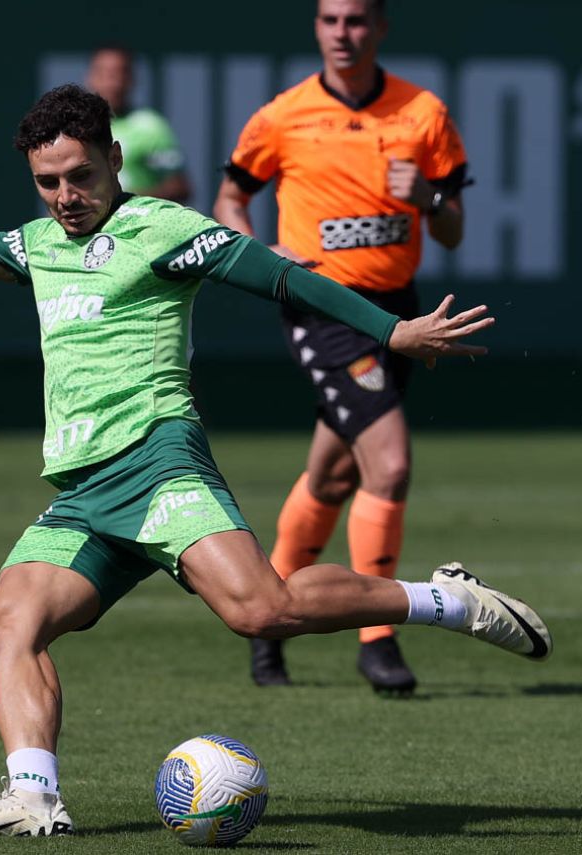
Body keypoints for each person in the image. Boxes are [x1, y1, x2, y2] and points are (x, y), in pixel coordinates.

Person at [0, 84, 549, 839]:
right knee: (8, 625)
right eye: (47, 181)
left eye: (81, 175)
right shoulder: (38, 245)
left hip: (158, 461)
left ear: (116, 160)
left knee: (263, 610)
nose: (65, 195)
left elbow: (283, 275)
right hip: (84, 487)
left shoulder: (164, 229)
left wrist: (391, 333)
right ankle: (34, 796)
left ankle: (446, 600)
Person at [213, 0, 470, 694]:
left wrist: (428, 200)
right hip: (324, 310)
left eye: (356, 19)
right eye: (329, 19)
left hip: (398, 312)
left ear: (381, 27)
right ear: (316, 28)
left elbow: (451, 231)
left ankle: (268, 626)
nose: (342, 32)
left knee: (331, 474)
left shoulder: (422, 112)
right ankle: (378, 637)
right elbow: (229, 197)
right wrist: (258, 249)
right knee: (387, 462)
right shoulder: (284, 114)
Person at [86, 45, 191, 203]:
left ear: (131, 79)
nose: (111, 82)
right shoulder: (76, 128)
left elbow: (179, 187)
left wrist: (127, 202)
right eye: (103, 73)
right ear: (90, 78)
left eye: (118, 73)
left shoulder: (151, 126)